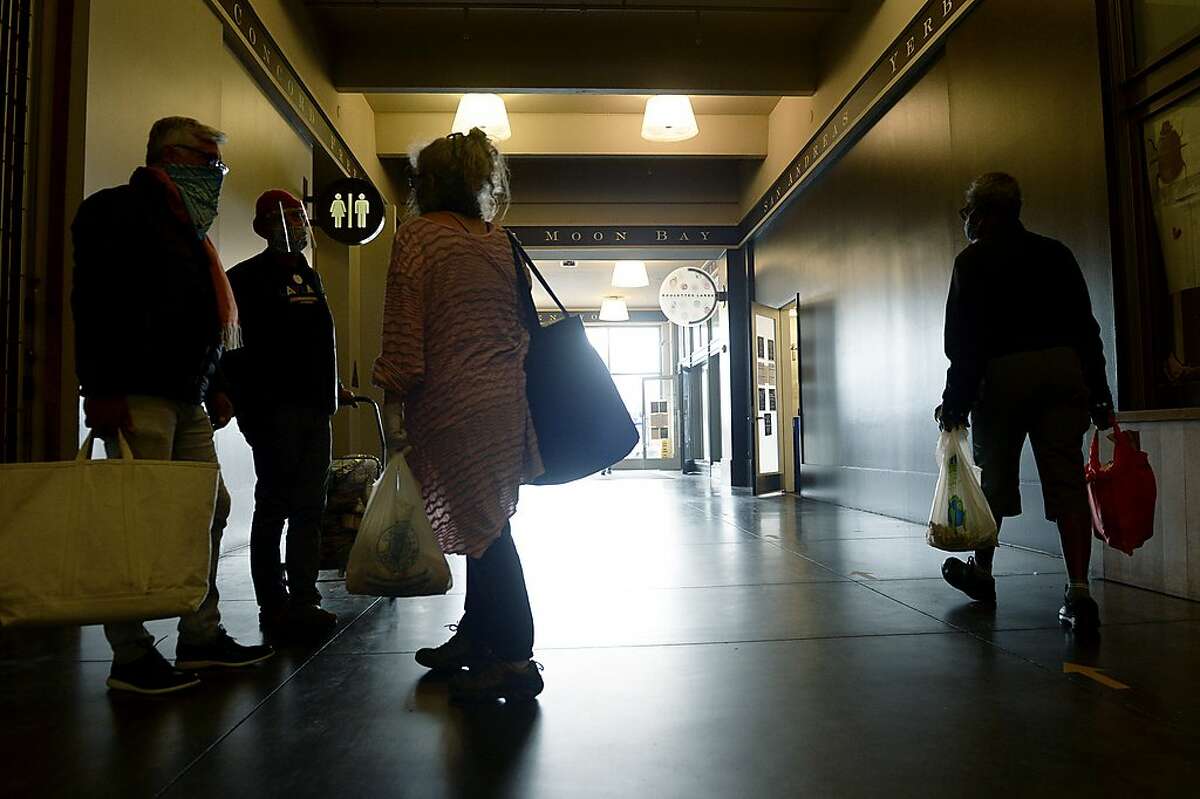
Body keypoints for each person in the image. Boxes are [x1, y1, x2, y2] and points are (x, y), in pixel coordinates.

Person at [71, 116, 273, 694]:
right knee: (135, 521)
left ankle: (200, 635)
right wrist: (101, 388)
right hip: (136, 391)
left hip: (185, 393)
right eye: (210, 162)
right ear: (171, 157)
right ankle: (129, 653)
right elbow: (96, 304)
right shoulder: (115, 212)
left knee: (208, 507)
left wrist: (212, 384)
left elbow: (194, 319)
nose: (216, 175)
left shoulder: (189, 230)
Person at [374, 128, 544, 702]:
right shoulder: (501, 241)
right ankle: (475, 635)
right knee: (489, 521)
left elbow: (404, 325)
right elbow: (520, 327)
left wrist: (391, 391)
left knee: (490, 533)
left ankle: (518, 658)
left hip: (450, 404)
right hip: (503, 404)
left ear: (429, 182)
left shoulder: (419, 237)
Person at [936, 172, 1114, 632]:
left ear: (981, 214)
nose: (967, 222)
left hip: (1003, 379)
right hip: (1062, 372)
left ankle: (983, 573)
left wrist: (954, 402)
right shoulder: (1057, 254)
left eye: (968, 213)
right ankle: (1079, 592)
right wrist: (1099, 393)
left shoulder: (971, 263)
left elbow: (964, 345)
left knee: (993, 481)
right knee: (1067, 482)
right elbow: (1085, 329)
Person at [223, 190, 348, 642]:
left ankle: (304, 598)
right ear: (263, 226)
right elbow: (233, 348)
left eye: (298, 215)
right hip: (273, 410)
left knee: (310, 506)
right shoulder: (245, 279)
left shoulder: (309, 276)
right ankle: (272, 602)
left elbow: (316, 341)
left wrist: (333, 387)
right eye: (285, 216)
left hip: (316, 408)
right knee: (275, 504)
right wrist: (235, 400)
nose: (295, 223)